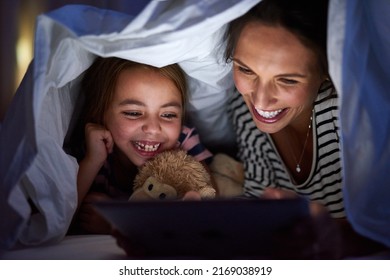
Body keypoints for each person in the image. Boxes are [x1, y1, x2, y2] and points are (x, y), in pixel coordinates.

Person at [223, 0, 387, 258]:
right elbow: (254, 196)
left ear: (325, 72)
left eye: (287, 80)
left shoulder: (345, 119)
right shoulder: (241, 107)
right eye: (245, 69)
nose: (260, 100)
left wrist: (333, 233)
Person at [67, 57, 213, 234]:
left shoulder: (182, 141)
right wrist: (92, 161)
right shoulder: (94, 151)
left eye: (168, 115)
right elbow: (59, 219)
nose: (152, 128)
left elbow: (212, 206)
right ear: (100, 113)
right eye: (134, 113)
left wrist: (116, 223)